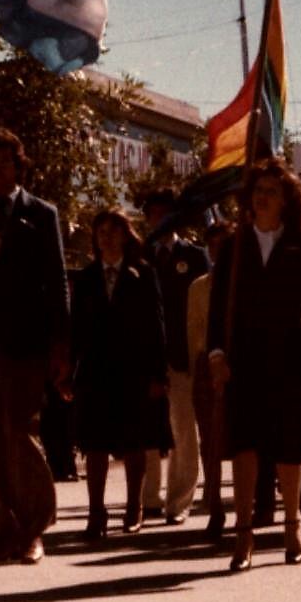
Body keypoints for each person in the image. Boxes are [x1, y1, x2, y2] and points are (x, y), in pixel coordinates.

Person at [207, 159, 301, 570]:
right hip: (243, 357)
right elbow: (217, 306)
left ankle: (292, 526)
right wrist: (217, 354)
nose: (263, 197)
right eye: (257, 190)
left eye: (272, 192)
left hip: (291, 356)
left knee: (289, 445)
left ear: (287, 201)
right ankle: (243, 535)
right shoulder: (234, 246)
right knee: (244, 444)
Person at [0, 129, 71, 565]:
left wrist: (61, 346)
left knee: (21, 432)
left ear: (18, 166)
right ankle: (3, 528)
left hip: (27, 345)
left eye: (3, 162)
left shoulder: (41, 215)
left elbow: (57, 281)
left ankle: (34, 528)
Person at [67, 210, 170, 539]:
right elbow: (75, 330)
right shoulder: (85, 279)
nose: (106, 237)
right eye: (100, 232)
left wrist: (157, 373)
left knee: (134, 442)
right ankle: (96, 511)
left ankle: (133, 506)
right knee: (94, 444)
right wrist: (67, 370)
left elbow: (157, 326)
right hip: (96, 372)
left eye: (113, 231)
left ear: (126, 235)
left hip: (134, 371)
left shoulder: (142, 274)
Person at [140, 189, 211, 526]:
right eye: (154, 213)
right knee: (146, 432)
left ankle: (179, 500)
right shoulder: (139, 255)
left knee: (183, 430)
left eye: (166, 213)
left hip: (184, 355)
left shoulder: (195, 256)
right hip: (147, 355)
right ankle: (146, 499)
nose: (160, 219)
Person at [186, 222, 232, 539]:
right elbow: (193, 333)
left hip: (239, 364)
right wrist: (197, 372)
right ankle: (214, 503)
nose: (218, 252)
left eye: (224, 245)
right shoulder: (199, 286)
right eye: (213, 246)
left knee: (242, 438)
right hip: (206, 366)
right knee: (210, 440)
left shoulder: (245, 281)